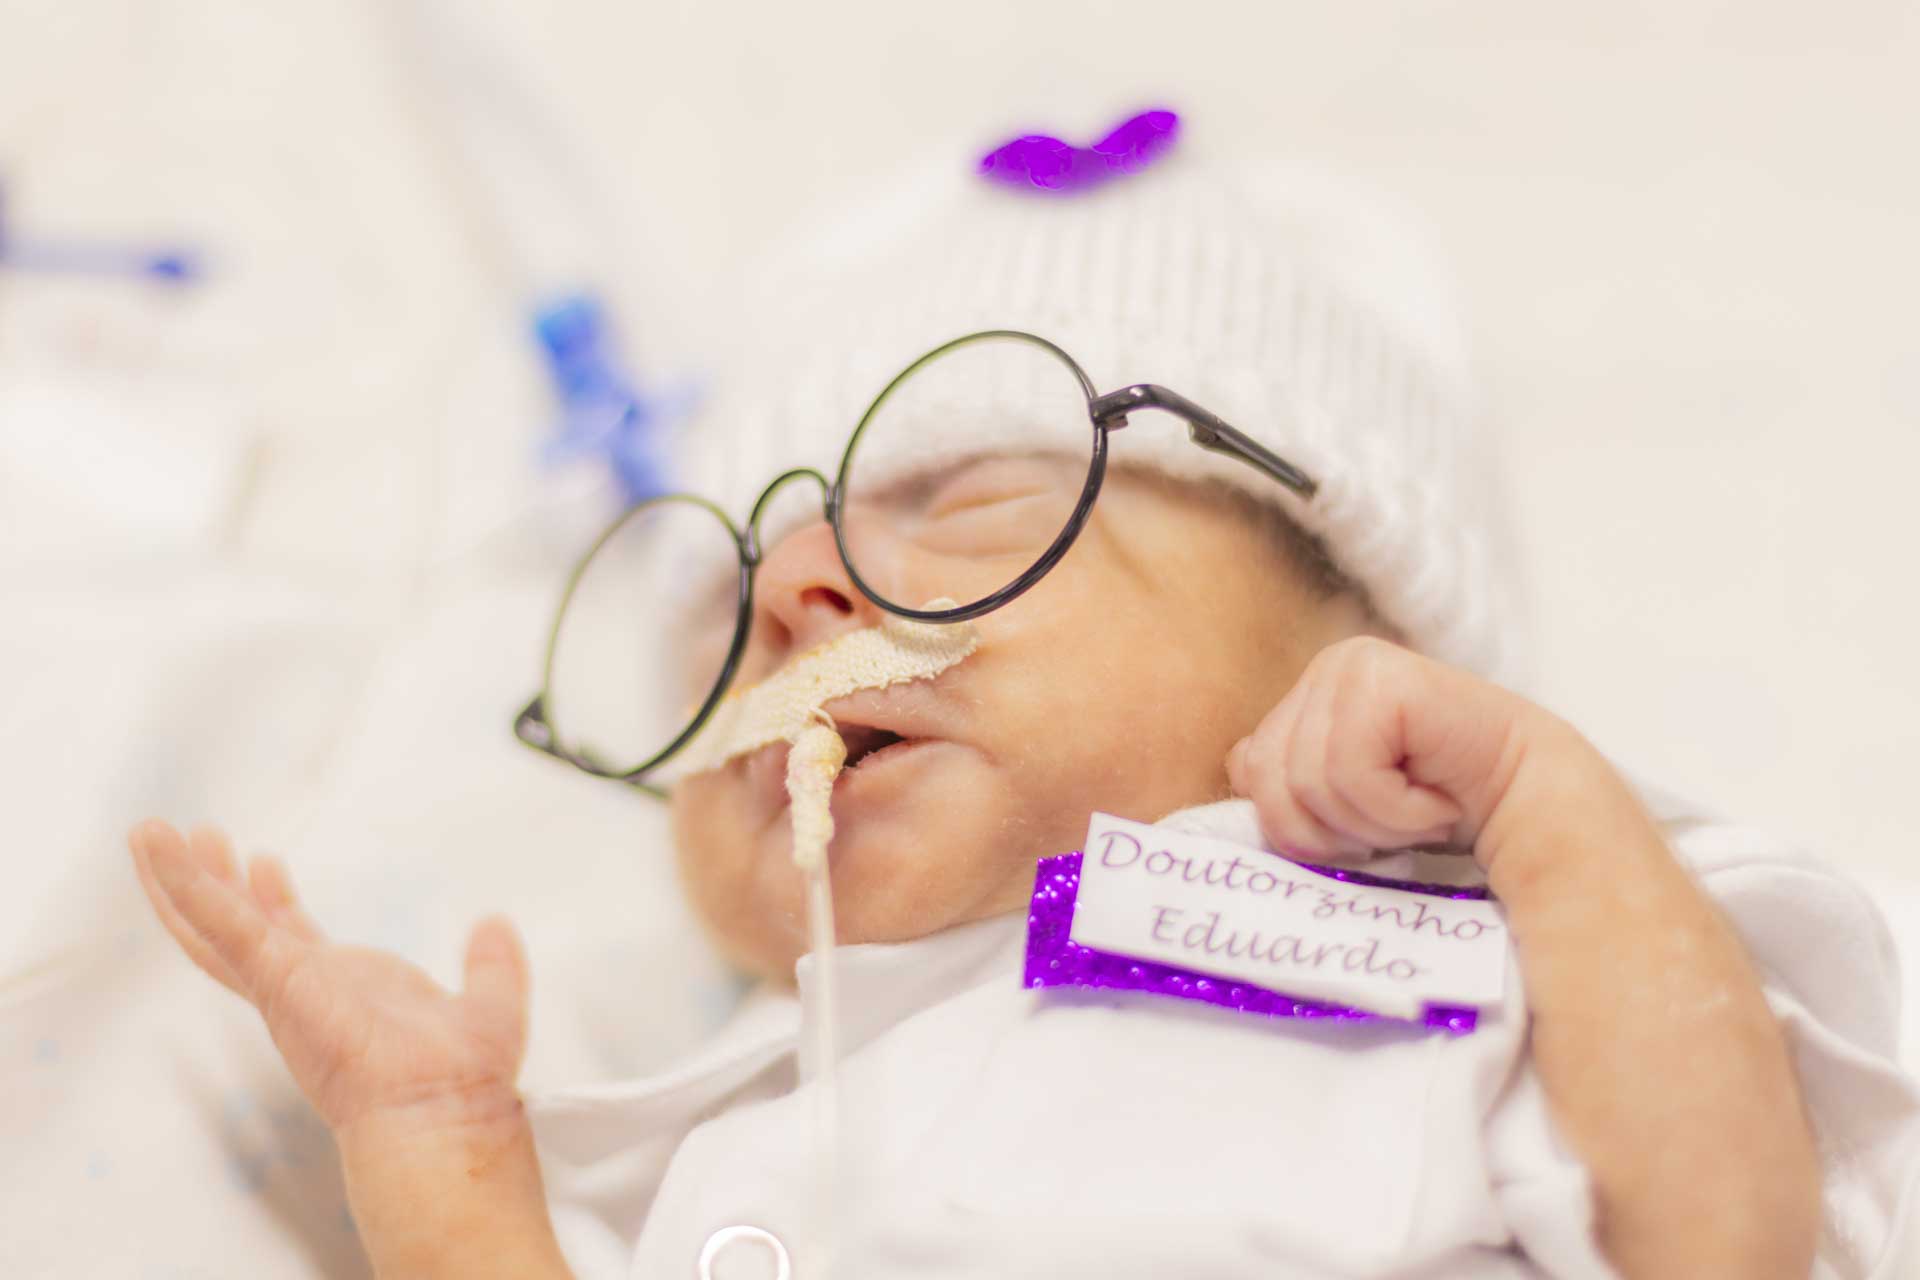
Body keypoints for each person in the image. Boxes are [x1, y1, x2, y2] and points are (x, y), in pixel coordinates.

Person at [127, 130, 1918, 1278]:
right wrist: (443, 1153)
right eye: (726, 626)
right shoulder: (724, 1128)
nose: (791, 593)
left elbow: (1725, 1240)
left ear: (1363, 639)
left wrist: (1549, 809)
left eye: (968, 501)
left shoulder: (1511, 941)